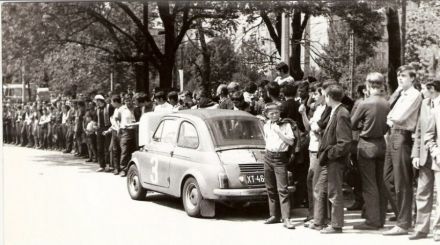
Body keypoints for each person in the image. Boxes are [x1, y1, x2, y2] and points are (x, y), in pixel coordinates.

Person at [383, 65, 423, 235]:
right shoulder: (402, 94)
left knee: (402, 181)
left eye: (404, 76)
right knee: (387, 178)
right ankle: (404, 214)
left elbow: (398, 117)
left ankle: (404, 222)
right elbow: (387, 109)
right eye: (399, 75)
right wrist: (397, 91)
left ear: (412, 78)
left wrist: (391, 118)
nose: (400, 78)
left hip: (402, 135)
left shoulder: (414, 95)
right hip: (392, 135)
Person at [351, 73, 390, 230]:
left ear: (368, 85)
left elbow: (352, 124)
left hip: (367, 144)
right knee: (381, 183)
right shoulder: (387, 103)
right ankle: (380, 219)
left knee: (369, 184)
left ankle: (372, 221)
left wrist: (363, 126)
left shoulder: (365, 103)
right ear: (381, 85)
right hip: (382, 143)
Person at [313, 83, 352, 234]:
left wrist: (330, 154)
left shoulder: (341, 113)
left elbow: (344, 142)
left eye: (325, 96)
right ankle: (320, 221)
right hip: (329, 158)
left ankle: (336, 225)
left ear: (329, 97)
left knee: (334, 191)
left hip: (334, 160)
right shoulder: (336, 111)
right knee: (321, 188)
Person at [410, 79, 440, 240]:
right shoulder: (424, 104)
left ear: (432, 89)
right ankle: (421, 229)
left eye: (424, 89)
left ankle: (438, 230)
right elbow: (420, 130)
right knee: (422, 192)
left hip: (438, 155)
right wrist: (416, 153)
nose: (422, 92)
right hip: (425, 156)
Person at [262, 103, 295, 229]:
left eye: (276, 112)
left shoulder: (285, 125)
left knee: (283, 189)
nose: (274, 115)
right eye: (271, 113)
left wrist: (279, 132)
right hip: (268, 156)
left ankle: (286, 218)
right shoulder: (266, 126)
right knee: (270, 187)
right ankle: (274, 215)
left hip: (280, 157)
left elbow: (291, 141)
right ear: (267, 115)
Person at [299, 81, 327, 225]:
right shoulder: (317, 109)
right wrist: (303, 113)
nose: (313, 97)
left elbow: (318, 129)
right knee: (311, 181)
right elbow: (309, 127)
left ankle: (319, 216)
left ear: (323, 93)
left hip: (318, 149)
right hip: (312, 148)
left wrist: (316, 127)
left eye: (316, 93)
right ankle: (313, 214)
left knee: (316, 182)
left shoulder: (326, 110)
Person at [118, 94, 137, 177]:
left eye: (129, 100)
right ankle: (123, 169)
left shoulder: (135, 108)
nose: (128, 102)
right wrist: (119, 127)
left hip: (134, 131)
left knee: (134, 150)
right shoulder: (121, 109)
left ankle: (132, 169)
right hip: (125, 131)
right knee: (124, 151)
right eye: (126, 100)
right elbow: (116, 119)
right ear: (124, 101)